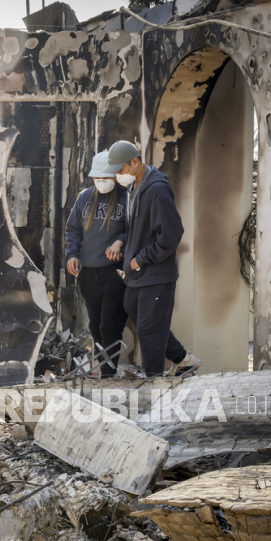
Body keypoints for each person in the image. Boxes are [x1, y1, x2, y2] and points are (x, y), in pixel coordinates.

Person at [102, 140, 202, 377]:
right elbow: (139, 228)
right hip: (137, 274)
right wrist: (124, 247)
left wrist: (139, 259)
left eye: (120, 170)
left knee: (149, 332)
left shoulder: (157, 189)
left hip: (155, 274)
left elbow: (171, 235)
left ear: (134, 162)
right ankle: (182, 359)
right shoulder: (133, 187)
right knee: (134, 311)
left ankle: (153, 384)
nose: (118, 176)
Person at [65, 151, 130, 378]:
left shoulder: (128, 198)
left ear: (115, 175)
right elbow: (73, 230)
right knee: (95, 326)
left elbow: (138, 230)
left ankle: (107, 372)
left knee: (109, 325)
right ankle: (106, 368)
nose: (101, 181)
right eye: (97, 177)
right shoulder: (84, 198)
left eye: (106, 177)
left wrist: (121, 240)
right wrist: (71, 254)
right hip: (88, 273)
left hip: (115, 272)